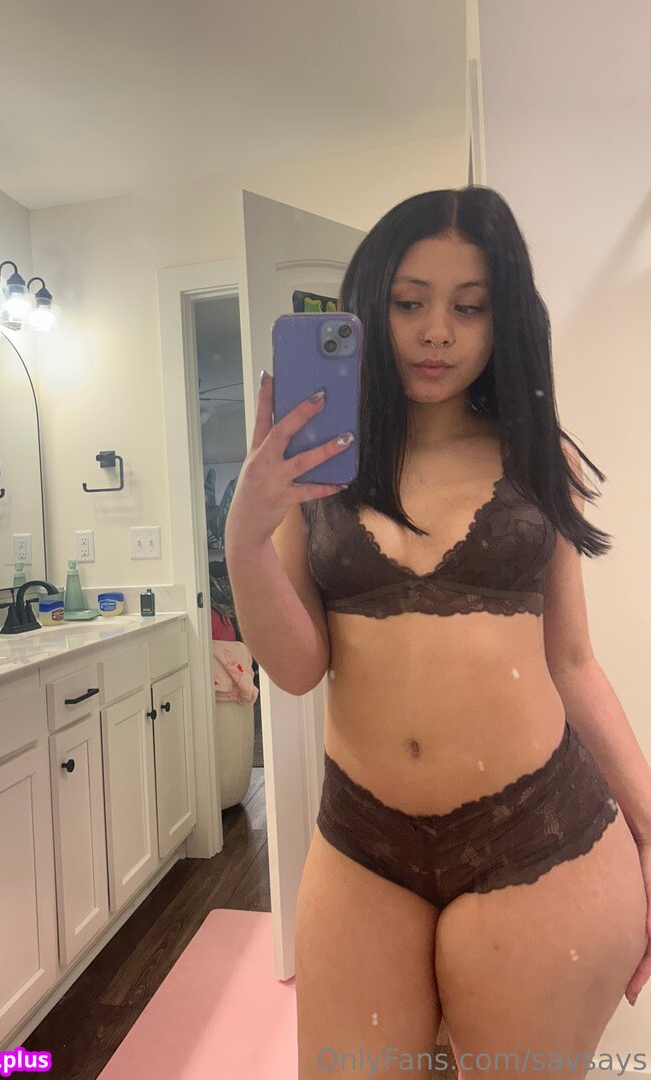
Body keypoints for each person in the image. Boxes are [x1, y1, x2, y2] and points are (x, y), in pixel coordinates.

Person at [224, 187, 651, 1080]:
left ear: (505, 318)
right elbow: (297, 668)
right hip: (363, 841)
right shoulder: (318, 473)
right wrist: (245, 537)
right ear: (370, 306)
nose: (437, 332)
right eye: (410, 302)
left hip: (540, 834)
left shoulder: (539, 458)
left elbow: (573, 661)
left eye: (470, 307)